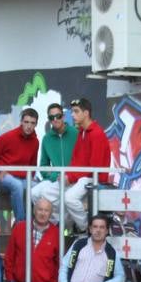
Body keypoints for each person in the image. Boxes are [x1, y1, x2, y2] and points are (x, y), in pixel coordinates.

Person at [33, 97, 110, 232]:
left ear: (86, 113)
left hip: (93, 179)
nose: (72, 115)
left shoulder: (96, 134)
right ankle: (59, 226)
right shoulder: (82, 132)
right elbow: (76, 161)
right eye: (72, 111)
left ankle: (86, 229)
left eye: (76, 111)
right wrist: (67, 175)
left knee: (69, 198)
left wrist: (71, 177)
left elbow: (94, 168)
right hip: (80, 177)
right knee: (45, 193)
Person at [0, 109, 41, 223]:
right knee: (17, 185)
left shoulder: (35, 142)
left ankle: (35, 223)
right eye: (26, 122)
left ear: (36, 124)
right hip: (4, 177)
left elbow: (33, 165)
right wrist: (0, 169)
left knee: (40, 187)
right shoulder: (6, 138)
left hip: (23, 178)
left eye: (32, 123)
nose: (29, 126)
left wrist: (31, 177)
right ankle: (21, 223)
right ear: (21, 122)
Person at [59, 215, 125, 282]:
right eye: (95, 227)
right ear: (90, 229)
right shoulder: (78, 245)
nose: (98, 230)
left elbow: (120, 276)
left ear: (106, 231)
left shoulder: (111, 253)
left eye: (102, 227)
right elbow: (64, 267)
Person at [4, 197, 61, 282]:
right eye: (40, 209)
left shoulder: (56, 233)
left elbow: (59, 262)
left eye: (46, 210)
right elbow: (9, 256)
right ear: (34, 211)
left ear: (50, 213)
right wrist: (10, 280)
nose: (43, 213)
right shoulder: (20, 228)